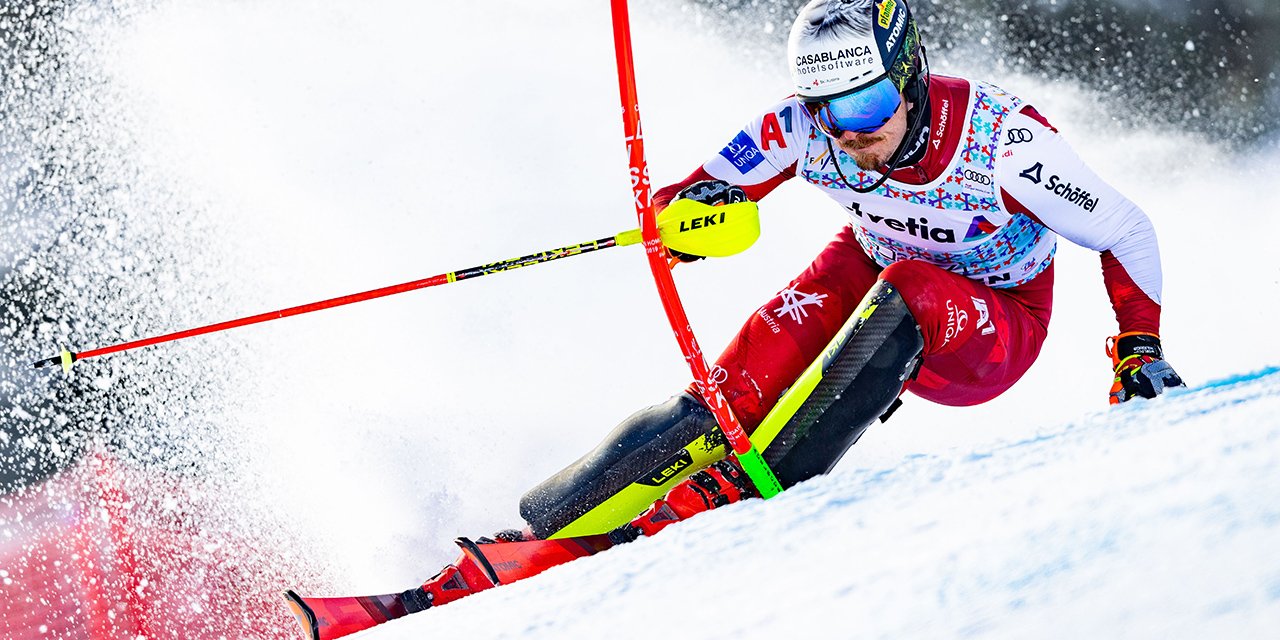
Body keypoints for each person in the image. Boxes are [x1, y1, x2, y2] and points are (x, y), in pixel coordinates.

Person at [417, 0, 1184, 607]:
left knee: (911, 287)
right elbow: (692, 196)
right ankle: (538, 531)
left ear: (910, 77)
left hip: (993, 321)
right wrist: (686, 222)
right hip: (873, 266)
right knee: (728, 395)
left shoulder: (1003, 143)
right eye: (828, 110)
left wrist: (1139, 350)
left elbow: (1124, 229)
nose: (850, 134)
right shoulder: (801, 127)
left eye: (869, 105)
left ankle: (737, 496)